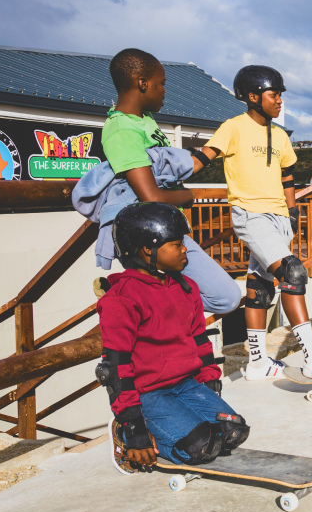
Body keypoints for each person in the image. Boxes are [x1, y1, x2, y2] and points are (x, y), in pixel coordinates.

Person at [197, 65, 312, 382]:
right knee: (292, 274)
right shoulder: (234, 127)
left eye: (281, 94)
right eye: (273, 94)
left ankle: (257, 361)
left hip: (279, 217)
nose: (279, 100)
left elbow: (287, 176)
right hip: (250, 214)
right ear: (253, 97)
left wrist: (291, 214)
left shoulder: (279, 135)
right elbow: (205, 156)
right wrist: (167, 172)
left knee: (259, 287)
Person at [76, 47, 242, 316]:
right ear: (143, 83)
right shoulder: (122, 129)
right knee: (225, 297)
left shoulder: (144, 121)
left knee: (221, 297)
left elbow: (176, 167)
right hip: (147, 239)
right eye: (161, 84)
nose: (165, 90)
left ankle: (134, 297)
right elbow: (151, 196)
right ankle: (129, 298)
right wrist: (189, 197)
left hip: (167, 231)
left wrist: (218, 144)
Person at [98, 202, 249, 471]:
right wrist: (135, 432)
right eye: (177, 244)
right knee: (201, 446)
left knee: (232, 431)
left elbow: (198, 341)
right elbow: (115, 368)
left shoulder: (186, 287)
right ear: (148, 248)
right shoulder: (122, 298)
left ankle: (186, 429)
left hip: (187, 385)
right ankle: (123, 437)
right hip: (150, 393)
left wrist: (209, 384)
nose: (185, 250)